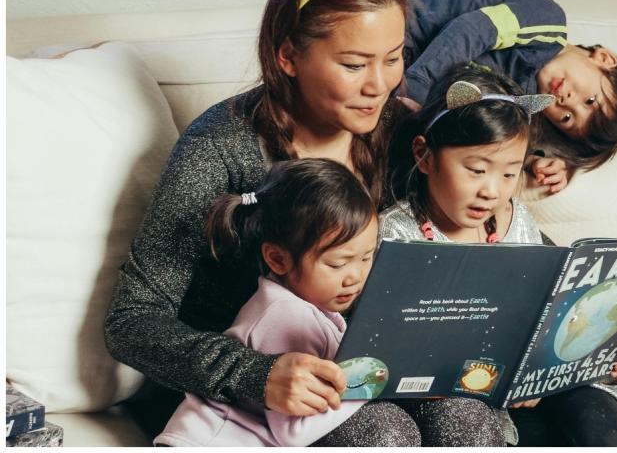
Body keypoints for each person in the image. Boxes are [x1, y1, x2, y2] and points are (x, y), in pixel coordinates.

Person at [104, 0, 419, 440]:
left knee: (472, 415)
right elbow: (132, 321)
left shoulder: (400, 131)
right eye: (354, 64)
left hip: (363, 373)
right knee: (384, 431)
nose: (380, 84)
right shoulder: (221, 147)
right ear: (288, 55)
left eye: (393, 58)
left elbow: (485, 217)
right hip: (232, 406)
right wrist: (257, 375)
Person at [382, 63, 617, 446]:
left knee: (592, 405)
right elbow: (385, 352)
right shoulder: (395, 235)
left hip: (534, 394)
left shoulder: (516, 221)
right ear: (425, 157)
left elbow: (568, 310)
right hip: (464, 405)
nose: (492, 191)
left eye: (509, 174)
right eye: (476, 170)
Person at [155, 159, 420, 446]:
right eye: (337, 263)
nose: (354, 277)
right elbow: (293, 432)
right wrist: (369, 381)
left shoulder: (310, 304)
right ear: (278, 259)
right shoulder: (283, 316)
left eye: (367, 258)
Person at [402, 0, 617, 193]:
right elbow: (473, 30)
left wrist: (534, 161)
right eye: (589, 100)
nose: (567, 102)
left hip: (400, 82)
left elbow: (493, 137)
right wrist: (416, 89)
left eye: (567, 119)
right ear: (604, 58)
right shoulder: (547, 20)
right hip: (407, 34)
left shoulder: (526, 104)